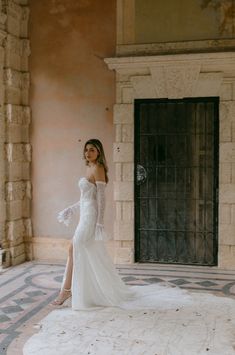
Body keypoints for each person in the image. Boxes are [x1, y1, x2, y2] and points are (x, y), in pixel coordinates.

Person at [52, 139, 135, 309]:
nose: (88, 153)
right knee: (83, 251)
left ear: (99, 152)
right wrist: (71, 209)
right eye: (86, 150)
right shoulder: (89, 167)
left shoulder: (98, 168)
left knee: (74, 248)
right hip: (84, 213)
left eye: (92, 150)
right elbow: (84, 199)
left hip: (91, 217)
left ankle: (66, 291)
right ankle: (80, 290)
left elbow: (101, 198)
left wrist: (99, 224)